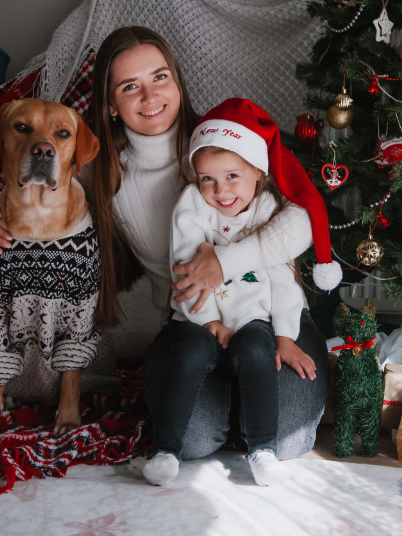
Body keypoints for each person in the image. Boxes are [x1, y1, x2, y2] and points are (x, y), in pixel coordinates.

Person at [0, 27, 340, 465]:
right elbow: (42, 187)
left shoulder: (223, 140)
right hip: (192, 325)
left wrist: (224, 261)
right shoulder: (102, 171)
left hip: (270, 314)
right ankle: (230, 401)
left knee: (288, 436)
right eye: (130, 87)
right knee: (193, 441)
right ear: (110, 104)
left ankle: (253, 401)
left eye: (160, 77)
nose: (150, 96)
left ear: (178, 81)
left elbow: (303, 217)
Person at [145, 98, 341, 487]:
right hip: (202, 320)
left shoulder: (269, 209)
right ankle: (164, 450)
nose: (220, 191)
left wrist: (284, 336)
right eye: (207, 178)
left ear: (258, 174)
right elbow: (185, 275)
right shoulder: (192, 206)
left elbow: (284, 282)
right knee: (191, 363)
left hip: (256, 317)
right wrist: (212, 325)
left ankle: (262, 450)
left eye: (232, 176)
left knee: (256, 350)